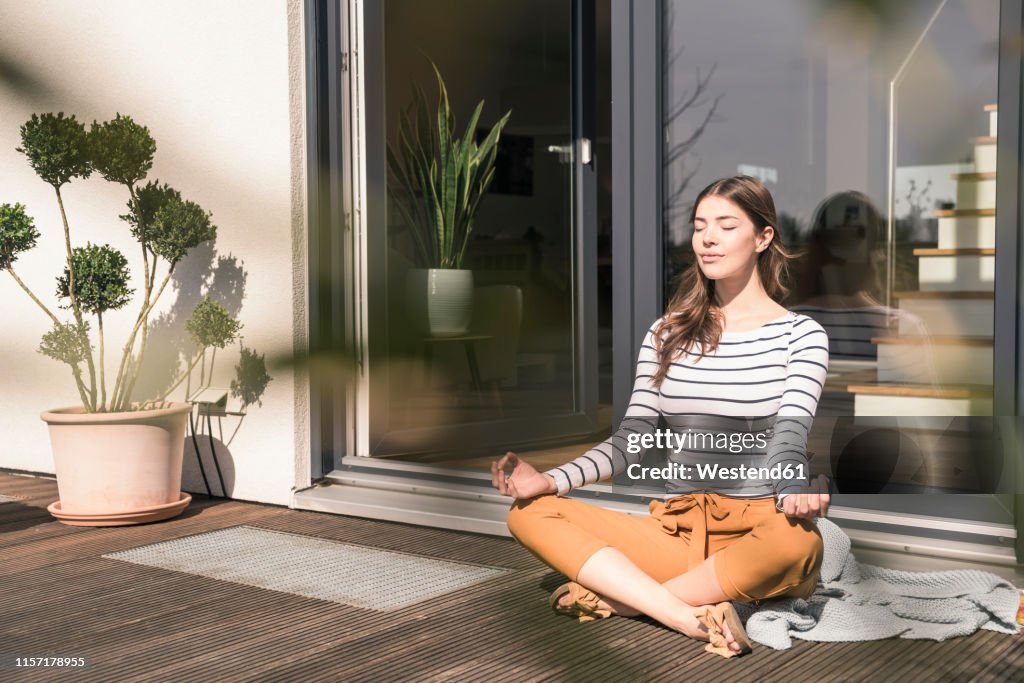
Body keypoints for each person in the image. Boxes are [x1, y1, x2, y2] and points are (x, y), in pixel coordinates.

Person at [490, 175, 830, 658]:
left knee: (799, 545)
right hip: (678, 528)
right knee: (530, 514)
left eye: (726, 225)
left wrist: (794, 487)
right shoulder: (666, 333)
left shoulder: (801, 335)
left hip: (757, 527)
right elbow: (631, 440)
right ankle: (681, 613)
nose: (707, 238)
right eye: (698, 226)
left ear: (763, 238)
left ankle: (625, 598)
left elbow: (790, 437)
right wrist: (549, 481)